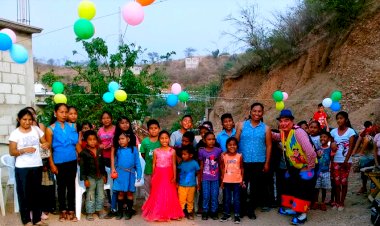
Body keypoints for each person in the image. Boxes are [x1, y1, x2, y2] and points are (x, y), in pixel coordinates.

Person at [273, 109, 317, 225]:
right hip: (296, 166)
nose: (283, 123)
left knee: (302, 189)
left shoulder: (299, 132)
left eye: (286, 120)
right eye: (281, 121)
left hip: (307, 166)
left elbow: (311, 153)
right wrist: (267, 132)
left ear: (292, 121)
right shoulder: (283, 132)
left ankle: (302, 214)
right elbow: (278, 137)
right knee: (291, 185)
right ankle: (293, 207)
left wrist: (309, 167)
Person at [9, 108, 50, 226]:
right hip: (22, 168)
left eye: (29, 119)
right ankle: (26, 220)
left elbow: (44, 141)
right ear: (18, 119)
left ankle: (37, 219)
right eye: (24, 119)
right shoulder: (15, 133)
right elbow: (12, 152)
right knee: (24, 194)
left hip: (37, 165)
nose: (27, 122)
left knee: (37, 193)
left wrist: (46, 144)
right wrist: (24, 150)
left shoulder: (36, 129)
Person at [235, 102, 272, 218]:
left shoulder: (266, 128)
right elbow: (235, 143)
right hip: (242, 161)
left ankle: (251, 209)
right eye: (254, 111)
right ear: (250, 112)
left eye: (259, 111)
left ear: (262, 113)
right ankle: (241, 209)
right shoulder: (241, 125)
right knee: (242, 186)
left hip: (258, 161)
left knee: (255, 187)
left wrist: (266, 163)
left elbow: (269, 146)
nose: (257, 113)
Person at [46, 103, 79, 222]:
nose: (64, 114)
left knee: (71, 186)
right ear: (55, 113)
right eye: (61, 112)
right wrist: (51, 164)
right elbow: (48, 148)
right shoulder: (50, 129)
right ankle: (62, 211)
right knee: (61, 187)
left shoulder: (73, 126)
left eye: (66, 112)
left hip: (72, 160)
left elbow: (77, 144)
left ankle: (71, 210)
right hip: (58, 161)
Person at [142, 131, 184, 221]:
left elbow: (174, 164)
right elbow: (154, 164)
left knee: (170, 192)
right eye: (162, 138)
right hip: (158, 174)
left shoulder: (172, 151)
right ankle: (159, 213)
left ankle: (171, 213)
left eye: (166, 138)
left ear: (169, 139)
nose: (164, 140)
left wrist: (175, 176)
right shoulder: (156, 151)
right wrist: (153, 175)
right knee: (159, 193)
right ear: (159, 140)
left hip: (169, 173)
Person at [26, 107, 56, 219]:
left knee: (44, 186)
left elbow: (45, 145)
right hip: (27, 162)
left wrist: (46, 162)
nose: (31, 116)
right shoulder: (21, 129)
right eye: (28, 114)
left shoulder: (40, 126)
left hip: (41, 160)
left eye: (32, 114)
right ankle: (30, 210)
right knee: (30, 188)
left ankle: (44, 209)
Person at [106, 116, 138, 218]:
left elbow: (135, 155)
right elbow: (112, 154)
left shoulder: (134, 137)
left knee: (129, 190)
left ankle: (129, 209)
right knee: (116, 190)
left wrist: (136, 170)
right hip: (117, 168)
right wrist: (113, 169)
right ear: (118, 125)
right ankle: (115, 209)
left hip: (130, 171)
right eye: (122, 122)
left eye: (127, 122)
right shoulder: (116, 138)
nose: (125, 124)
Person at [112, 132, 142, 220]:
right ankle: (120, 212)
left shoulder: (134, 149)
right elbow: (115, 162)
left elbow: (137, 162)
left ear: (128, 139)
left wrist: (139, 174)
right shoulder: (118, 150)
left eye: (122, 139)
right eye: (119, 139)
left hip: (131, 174)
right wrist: (114, 171)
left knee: (129, 193)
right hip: (120, 174)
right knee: (120, 193)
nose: (120, 141)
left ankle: (129, 211)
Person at [79, 130, 108, 221]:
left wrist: (104, 175)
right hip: (90, 177)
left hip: (100, 177)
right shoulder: (84, 153)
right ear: (86, 141)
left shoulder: (99, 150)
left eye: (94, 139)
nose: (92, 141)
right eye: (90, 140)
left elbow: (102, 164)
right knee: (90, 194)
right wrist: (85, 179)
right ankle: (90, 212)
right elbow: (82, 167)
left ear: (97, 140)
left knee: (101, 194)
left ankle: (99, 210)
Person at [330, 111, 356, 211]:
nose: (339, 120)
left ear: (346, 119)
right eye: (337, 118)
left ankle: (342, 202)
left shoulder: (351, 132)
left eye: (341, 118)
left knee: (343, 182)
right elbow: (330, 143)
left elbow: (351, 147)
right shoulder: (333, 132)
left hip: (346, 161)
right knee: (336, 183)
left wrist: (346, 160)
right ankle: (336, 201)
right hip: (335, 160)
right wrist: (331, 144)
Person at [198, 132, 222, 220]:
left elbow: (220, 164)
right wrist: (200, 179)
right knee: (206, 195)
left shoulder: (218, 151)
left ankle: (214, 212)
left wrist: (221, 176)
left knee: (215, 195)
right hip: (205, 178)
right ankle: (205, 211)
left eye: (213, 139)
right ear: (204, 140)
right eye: (209, 139)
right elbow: (201, 165)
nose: (211, 141)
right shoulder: (201, 151)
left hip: (215, 177)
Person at [220, 137, 244, 224]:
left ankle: (237, 215)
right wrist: (222, 181)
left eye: (234, 145)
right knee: (227, 199)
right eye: (230, 145)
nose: (232, 146)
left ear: (237, 146)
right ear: (226, 146)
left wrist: (242, 179)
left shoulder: (239, 156)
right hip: (227, 181)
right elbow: (222, 169)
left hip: (237, 181)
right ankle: (227, 214)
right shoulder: (224, 156)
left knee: (237, 199)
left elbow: (242, 168)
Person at [139, 119, 161, 201]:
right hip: (148, 170)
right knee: (148, 190)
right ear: (148, 130)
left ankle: (158, 207)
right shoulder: (145, 142)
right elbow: (143, 154)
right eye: (151, 128)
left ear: (159, 129)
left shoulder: (161, 140)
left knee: (158, 189)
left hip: (160, 171)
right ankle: (148, 208)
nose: (154, 130)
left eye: (155, 128)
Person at [177, 145, 200, 220]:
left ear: (191, 155)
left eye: (184, 154)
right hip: (181, 185)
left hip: (192, 186)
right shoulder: (181, 163)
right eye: (182, 154)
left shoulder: (194, 163)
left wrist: (198, 184)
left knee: (190, 200)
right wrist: (177, 182)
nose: (182, 156)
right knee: (181, 200)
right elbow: (178, 172)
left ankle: (190, 212)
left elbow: (198, 173)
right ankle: (181, 213)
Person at [314, 130, 332, 211]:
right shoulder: (317, 148)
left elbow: (331, 159)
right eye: (321, 137)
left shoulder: (330, 149)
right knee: (317, 188)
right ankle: (316, 202)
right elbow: (315, 159)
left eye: (324, 137)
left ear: (328, 139)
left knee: (324, 188)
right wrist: (317, 156)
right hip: (318, 171)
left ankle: (323, 202)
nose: (322, 138)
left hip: (326, 172)